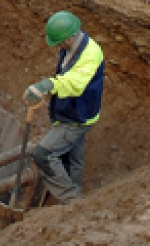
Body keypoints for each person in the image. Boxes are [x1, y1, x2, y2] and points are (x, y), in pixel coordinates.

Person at [23, 11, 105, 204]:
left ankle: (71, 200)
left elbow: (75, 83)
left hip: (77, 117)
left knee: (43, 154)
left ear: (68, 38)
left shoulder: (90, 54)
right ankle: (75, 194)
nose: (58, 46)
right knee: (73, 158)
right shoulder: (71, 46)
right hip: (73, 111)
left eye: (59, 42)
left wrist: (48, 85)